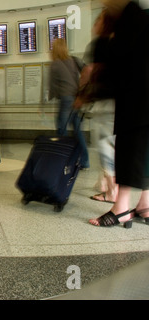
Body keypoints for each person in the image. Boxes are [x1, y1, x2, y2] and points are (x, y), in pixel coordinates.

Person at [89, 0, 149, 228]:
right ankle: (145, 205)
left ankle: (121, 208)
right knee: (143, 152)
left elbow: (116, 60)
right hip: (142, 98)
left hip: (136, 100)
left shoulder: (130, 18)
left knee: (129, 149)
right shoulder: (141, 16)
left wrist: (103, 41)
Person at [74, 9, 118, 204]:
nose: (94, 24)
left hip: (104, 103)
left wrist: (82, 95)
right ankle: (104, 184)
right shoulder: (122, 43)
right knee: (114, 144)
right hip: (120, 104)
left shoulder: (100, 44)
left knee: (104, 145)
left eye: (98, 20)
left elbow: (90, 71)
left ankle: (111, 191)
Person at [49, 38, 89, 170]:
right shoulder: (73, 60)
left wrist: (45, 103)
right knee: (77, 131)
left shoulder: (55, 64)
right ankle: (84, 161)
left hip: (66, 100)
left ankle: (63, 159)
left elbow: (53, 86)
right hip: (76, 99)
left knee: (62, 129)